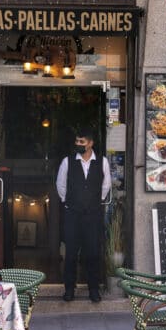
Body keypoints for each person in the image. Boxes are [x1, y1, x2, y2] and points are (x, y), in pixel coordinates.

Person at [56, 128, 111, 303]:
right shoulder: (68, 161)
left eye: (82, 142)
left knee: (93, 253)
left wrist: (96, 201)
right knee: (71, 253)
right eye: (77, 141)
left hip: (93, 215)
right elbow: (60, 184)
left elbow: (106, 184)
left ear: (90, 143)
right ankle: (69, 290)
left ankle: (93, 290)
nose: (78, 144)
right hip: (72, 214)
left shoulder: (101, 162)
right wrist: (69, 201)